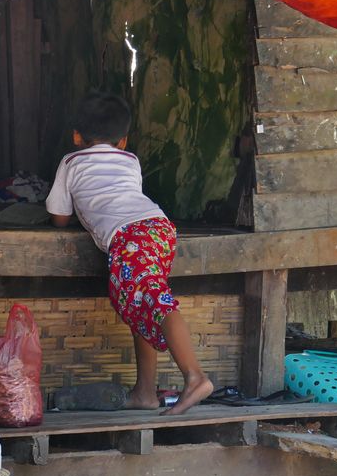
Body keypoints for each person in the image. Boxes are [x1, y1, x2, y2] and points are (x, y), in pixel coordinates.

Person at [45, 92, 213, 415]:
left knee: (152, 298)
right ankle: (145, 392)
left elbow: (59, 217)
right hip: (159, 228)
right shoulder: (131, 160)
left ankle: (195, 376)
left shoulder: (70, 162)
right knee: (141, 304)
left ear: (77, 136)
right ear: (123, 141)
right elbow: (128, 194)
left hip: (130, 236)